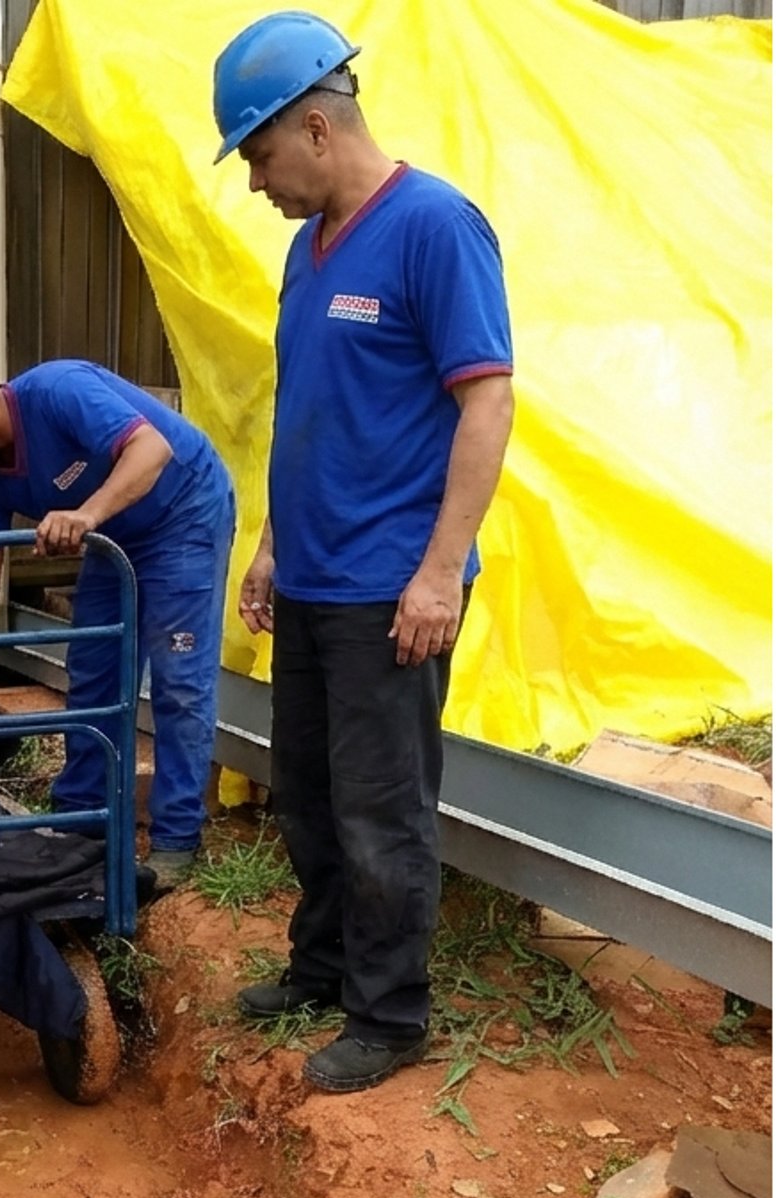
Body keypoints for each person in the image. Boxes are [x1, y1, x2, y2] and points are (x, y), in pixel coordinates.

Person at [212, 13, 515, 1092]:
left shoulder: (436, 227)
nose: (257, 182)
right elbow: (312, 409)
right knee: (308, 790)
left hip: (392, 587)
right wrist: (269, 547)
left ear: (316, 126)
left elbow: (486, 402)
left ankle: (389, 1017)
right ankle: (324, 966)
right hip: (312, 577)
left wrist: (439, 572)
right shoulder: (310, 250)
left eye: (258, 155)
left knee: (381, 807)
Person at [0, 342, 236, 890]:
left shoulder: (58, 391)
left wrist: (86, 512)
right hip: (113, 533)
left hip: (181, 510)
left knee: (178, 680)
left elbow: (151, 449)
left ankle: (176, 838)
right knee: (94, 672)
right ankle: (82, 822)